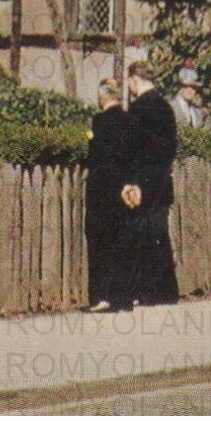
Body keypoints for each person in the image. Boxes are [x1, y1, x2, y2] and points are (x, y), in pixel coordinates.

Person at [120, 61, 180, 306]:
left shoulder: (138, 109)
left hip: (142, 181)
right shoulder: (166, 108)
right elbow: (170, 148)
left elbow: (133, 150)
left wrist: (133, 182)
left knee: (139, 235)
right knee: (159, 235)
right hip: (161, 180)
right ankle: (165, 291)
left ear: (134, 79)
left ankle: (143, 291)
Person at [84, 82, 134, 311]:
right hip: (123, 187)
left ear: (102, 97)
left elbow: (95, 156)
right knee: (122, 241)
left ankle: (100, 296)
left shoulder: (99, 122)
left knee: (100, 242)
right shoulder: (130, 121)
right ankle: (123, 297)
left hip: (102, 189)